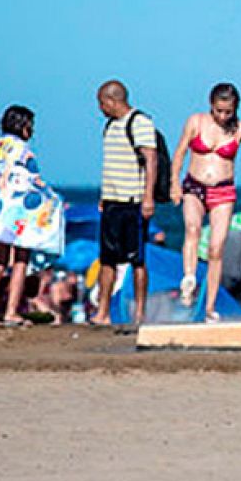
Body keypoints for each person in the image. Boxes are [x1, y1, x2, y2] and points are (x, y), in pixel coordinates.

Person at [170, 83, 241, 322]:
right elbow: (179, 153)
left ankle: (209, 306)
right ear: (211, 105)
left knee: (216, 249)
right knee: (192, 229)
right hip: (194, 186)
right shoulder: (196, 122)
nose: (222, 116)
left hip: (223, 191)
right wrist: (174, 184)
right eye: (218, 111)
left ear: (235, 108)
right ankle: (189, 278)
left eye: (228, 112)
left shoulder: (240, 130)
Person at [0, 106, 67, 324]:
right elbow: (33, 181)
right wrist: (53, 198)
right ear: (24, 126)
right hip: (19, 215)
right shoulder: (23, 151)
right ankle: (11, 311)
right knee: (20, 262)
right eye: (31, 126)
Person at [93, 80, 159, 327]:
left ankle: (140, 313)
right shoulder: (110, 126)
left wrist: (148, 197)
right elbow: (109, 163)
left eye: (101, 103)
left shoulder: (139, 122)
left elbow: (151, 160)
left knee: (137, 259)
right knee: (107, 258)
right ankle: (103, 312)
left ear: (111, 101)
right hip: (112, 201)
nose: (100, 109)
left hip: (133, 200)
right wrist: (104, 194)